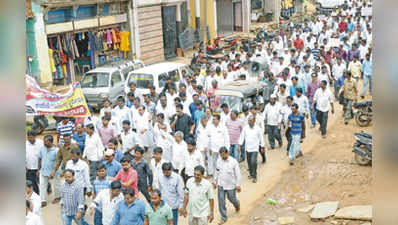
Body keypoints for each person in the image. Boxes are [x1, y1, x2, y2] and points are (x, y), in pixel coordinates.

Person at [213, 147, 241, 225]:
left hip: (231, 185)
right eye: (221, 156)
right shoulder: (219, 161)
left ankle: (237, 204)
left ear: (227, 153)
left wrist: (238, 185)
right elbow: (217, 171)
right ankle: (223, 217)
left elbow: (238, 174)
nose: (223, 157)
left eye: (224, 155)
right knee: (221, 201)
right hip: (221, 184)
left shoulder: (233, 161)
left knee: (232, 198)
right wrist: (214, 181)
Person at [238, 115, 265, 183]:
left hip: (255, 148)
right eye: (248, 120)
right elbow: (242, 137)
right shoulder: (245, 128)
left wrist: (262, 146)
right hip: (248, 148)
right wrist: (239, 145)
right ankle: (251, 173)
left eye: (251, 120)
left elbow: (261, 138)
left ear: (254, 121)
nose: (249, 122)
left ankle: (255, 176)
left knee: (253, 162)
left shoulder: (258, 128)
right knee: (249, 162)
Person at [39, 135, 61, 207]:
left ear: (51, 142)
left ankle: (57, 197)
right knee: (42, 186)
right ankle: (43, 200)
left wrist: (54, 171)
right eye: (44, 141)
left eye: (46, 141)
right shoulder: (42, 148)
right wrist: (38, 169)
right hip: (43, 171)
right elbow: (40, 158)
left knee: (56, 185)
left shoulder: (56, 150)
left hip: (53, 172)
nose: (44, 143)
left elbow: (58, 162)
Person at [26, 130, 43, 195]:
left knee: (41, 181)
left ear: (35, 136)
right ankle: (36, 196)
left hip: (40, 167)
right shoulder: (25, 144)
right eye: (28, 137)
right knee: (32, 183)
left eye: (31, 137)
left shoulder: (41, 143)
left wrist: (40, 168)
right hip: (29, 167)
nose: (30, 139)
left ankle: (48, 186)